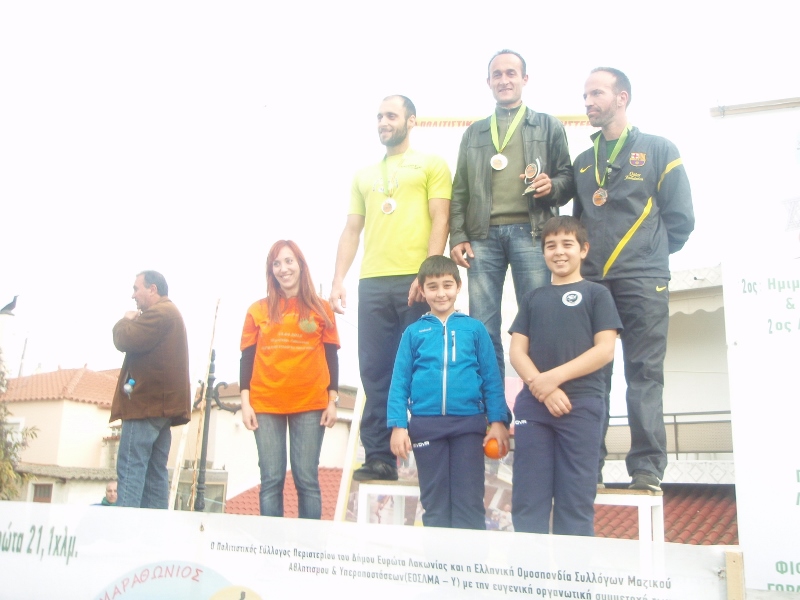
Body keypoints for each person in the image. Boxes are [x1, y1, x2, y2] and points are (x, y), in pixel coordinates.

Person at [573, 67, 695, 491]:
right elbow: (579, 225)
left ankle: (645, 469)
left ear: (621, 97)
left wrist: (648, 256)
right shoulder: (583, 162)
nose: (588, 102)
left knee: (643, 372)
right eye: (585, 95)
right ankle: (588, 466)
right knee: (592, 376)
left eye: (597, 94)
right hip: (594, 283)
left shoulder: (660, 149)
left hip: (644, 279)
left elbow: (680, 220)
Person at [330, 95, 451, 482]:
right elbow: (352, 229)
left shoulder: (431, 164)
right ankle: (380, 457)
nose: (383, 122)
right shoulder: (363, 175)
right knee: (375, 370)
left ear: (411, 121)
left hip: (414, 279)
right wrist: (338, 279)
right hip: (373, 281)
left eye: (391, 116)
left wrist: (428, 272)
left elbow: (441, 217)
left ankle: (430, 452)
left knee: (422, 368)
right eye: (380, 116)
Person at [450, 49, 575, 378]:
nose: (504, 80)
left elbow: (568, 178)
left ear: (525, 79)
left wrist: (552, 186)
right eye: (497, 74)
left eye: (511, 73)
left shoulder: (548, 125)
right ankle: (492, 403)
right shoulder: (474, 132)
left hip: (533, 233)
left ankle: (539, 393)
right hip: (482, 236)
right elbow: (460, 189)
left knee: (538, 319)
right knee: (482, 325)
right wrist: (458, 235)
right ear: (488, 82)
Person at [509, 216, 621, 535]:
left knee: (575, 504)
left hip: (581, 406)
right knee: (528, 502)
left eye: (567, 244)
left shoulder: (597, 294)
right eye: (551, 245)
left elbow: (605, 350)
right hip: (534, 408)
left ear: (583, 249)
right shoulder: (533, 298)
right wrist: (542, 388)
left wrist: (551, 379)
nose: (559, 252)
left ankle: (575, 570)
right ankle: (529, 568)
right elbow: (517, 352)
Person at [387, 256, 509, 529]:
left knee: (469, 504)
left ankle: (470, 558)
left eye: (447, 285)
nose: (441, 293)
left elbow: (491, 379)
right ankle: (437, 558)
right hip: (426, 427)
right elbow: (399, 382)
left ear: (458, 286)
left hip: (468, 426)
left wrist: (498, 421)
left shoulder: (475, 329)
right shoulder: (413, 333)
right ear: (422, 290)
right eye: (432, 287)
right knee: (435, 506)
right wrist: (398, 425)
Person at [240, 240, 340, 518]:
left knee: (306, 479)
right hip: (265, 403)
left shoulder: (322, 309)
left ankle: (309, 544)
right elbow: (247, 358)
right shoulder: (257, 310)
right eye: (276, 264)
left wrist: (332, 400)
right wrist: (246, 403)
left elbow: (331, 357)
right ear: (270, 271)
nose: (283, 269)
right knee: (271, 481)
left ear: (300, 265)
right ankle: (272, 544)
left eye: (288, 261)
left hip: (310, 403)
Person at [111, 270, 190, 509]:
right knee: (155, 473)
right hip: (160, 409)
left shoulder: (159, 313)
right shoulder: (170, 312)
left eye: (137, 289)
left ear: (152, 289)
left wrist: (125, 320)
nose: (133, 295)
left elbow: (124, 339)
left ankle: (124, 527)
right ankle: (153, 529)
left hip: (145, 407)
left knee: (131, 468)